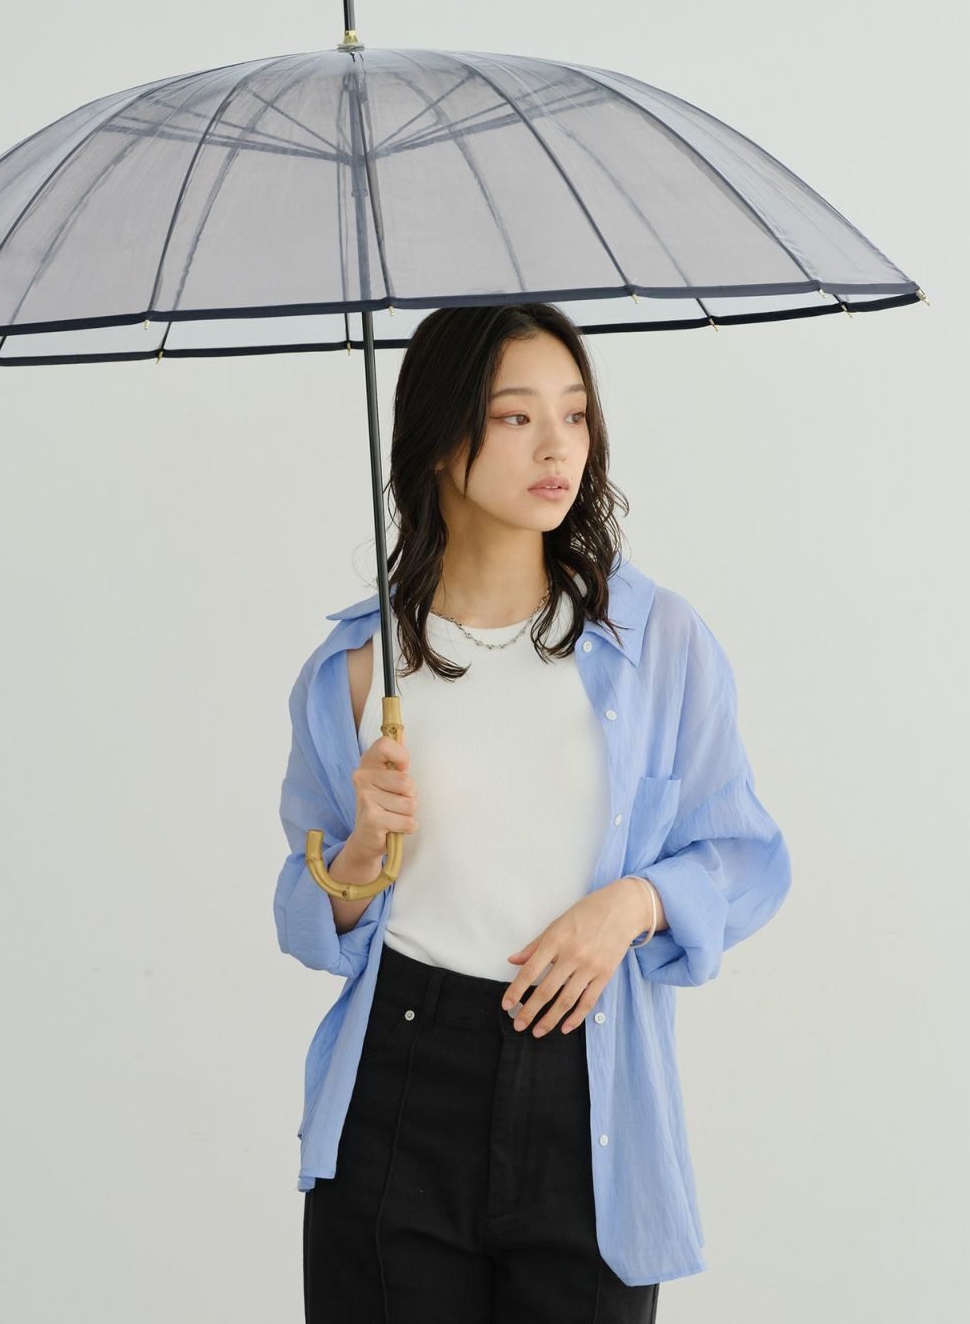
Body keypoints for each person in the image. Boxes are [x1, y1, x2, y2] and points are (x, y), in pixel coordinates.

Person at [273, 303, 792, 1323]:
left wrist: (632, 905)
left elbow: (746, 857)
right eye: (516, 417)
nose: (559, 447)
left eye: (575, 413)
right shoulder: (358, 671)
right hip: (399, 1087)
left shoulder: (656, 642)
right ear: (439, 441)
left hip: (590, 1094)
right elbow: (309, 917)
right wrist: (363, 849)